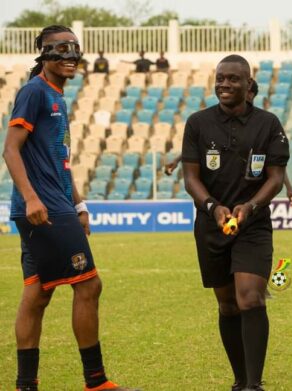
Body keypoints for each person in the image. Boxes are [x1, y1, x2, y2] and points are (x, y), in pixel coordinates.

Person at [3, 25, 137, 391]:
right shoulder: (34, 92)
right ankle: (95, 382)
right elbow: (10, 149)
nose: (69, 55)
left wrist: (80, 204)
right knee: (89, 286)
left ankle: (25, 385)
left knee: (37, 292)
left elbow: (58, 160)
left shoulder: (57, 98)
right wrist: (31, 198)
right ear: (43, 55)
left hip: (57, 205)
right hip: (42, 207)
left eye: (74, 48)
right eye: (59, 49)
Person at [181, 54, 289, 391]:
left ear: (248, 83)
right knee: (227, 303)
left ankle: (254, 385)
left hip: (253, 224)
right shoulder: (197, 123)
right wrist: (213, 207)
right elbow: (190, 178)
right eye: (221, 78)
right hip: (211, 225)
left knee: (250, 297)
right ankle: (240, 380)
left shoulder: (268, 124)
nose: (225, 85)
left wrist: (251, 206)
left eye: (233, 79)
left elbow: (276, 177)